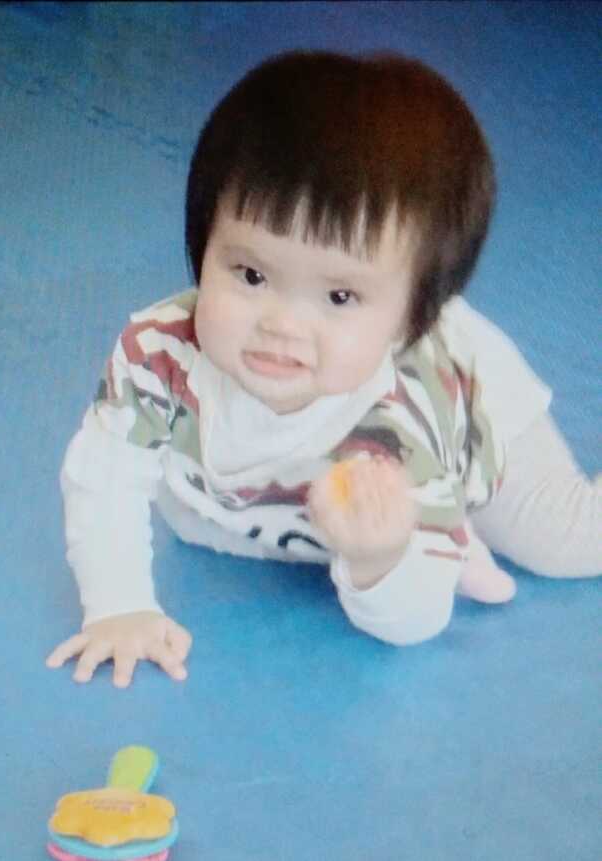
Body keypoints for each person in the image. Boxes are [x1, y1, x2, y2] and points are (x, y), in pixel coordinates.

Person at [46, 51, 601, 688]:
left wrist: (383, 558)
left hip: (459, 394)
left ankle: (446, 532)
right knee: (196, 523)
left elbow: (416, 625)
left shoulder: (403, 426)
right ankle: (448, 535)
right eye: (251, 275)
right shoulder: (161, 353)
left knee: (566, 542)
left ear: (411, 318)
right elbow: (104, 477)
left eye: (339, 296)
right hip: (262, 498)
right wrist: (119, 605)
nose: (282, 324)